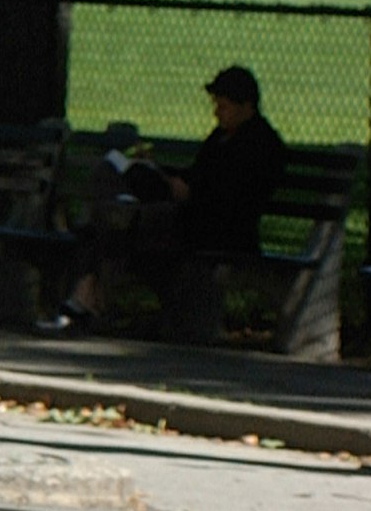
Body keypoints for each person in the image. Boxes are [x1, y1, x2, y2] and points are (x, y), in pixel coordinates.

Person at [42, 64, 288, 334]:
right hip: (190, 216)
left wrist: (188, 191)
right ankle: (89, 295)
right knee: (116, 206)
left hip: (220, 230)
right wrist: (162, 173)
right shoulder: (221, 137)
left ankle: (84, 299)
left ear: (246, 105)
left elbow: (235, 197)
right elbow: (197, 174)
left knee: (115, 226)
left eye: (224, 106)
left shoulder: (262, 144)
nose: (217, 112)